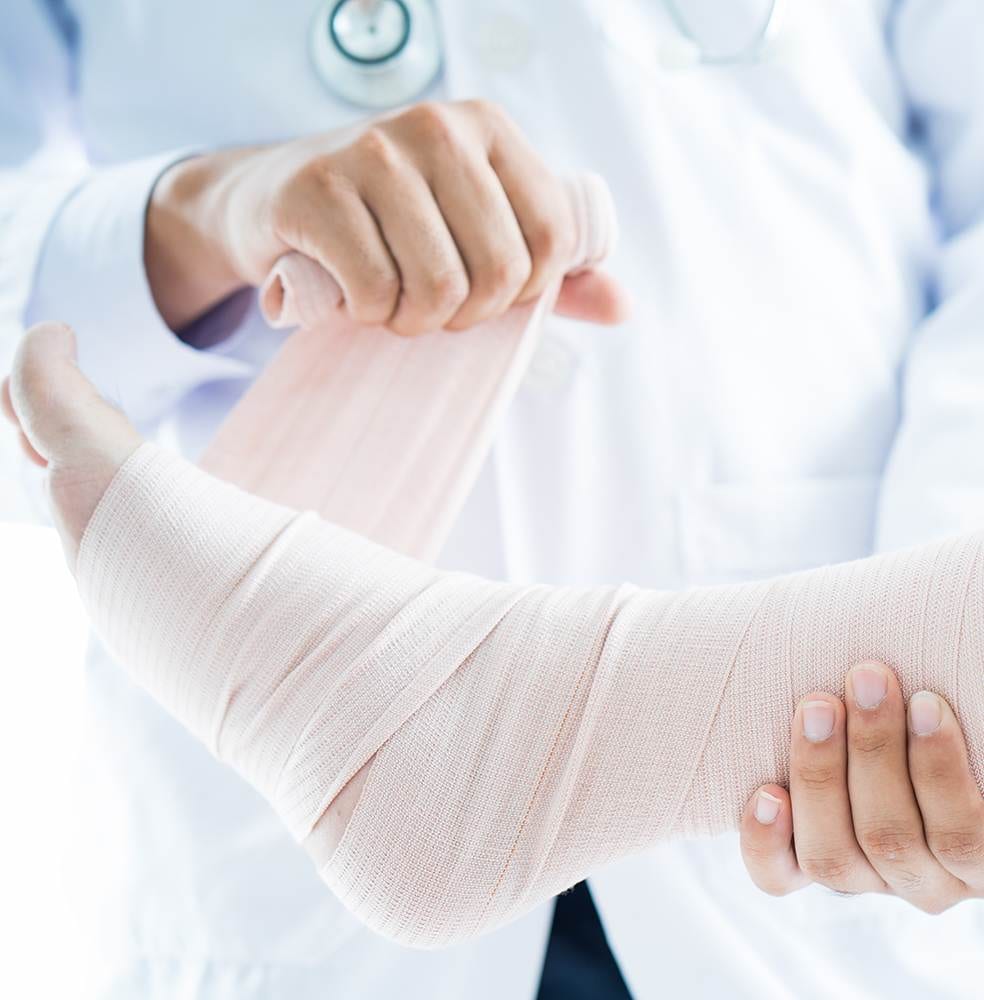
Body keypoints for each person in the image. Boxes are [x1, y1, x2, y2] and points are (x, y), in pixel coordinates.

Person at [3, 1, 984, 997]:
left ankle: (598, 712)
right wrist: (196, 218)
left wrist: (923, 638)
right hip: (286, 849)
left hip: (801, 819)